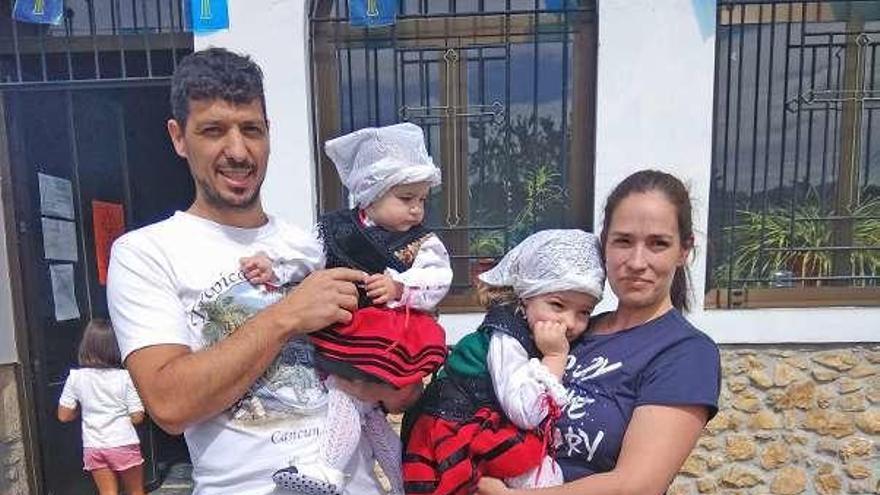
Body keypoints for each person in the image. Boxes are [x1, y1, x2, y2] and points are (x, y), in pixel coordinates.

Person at [107, 47, 389, 494]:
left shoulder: (312, 243)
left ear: (269, 134)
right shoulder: (145, 253)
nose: (237, 151)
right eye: (214, 130)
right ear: (179, 137)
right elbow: (169, 404)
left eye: (251, 130)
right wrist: (287, 315)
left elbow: (390, 382)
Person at [475, 170, 722, 495]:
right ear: (604, 243)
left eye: (658, 244)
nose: (636, 261)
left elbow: (636, 485)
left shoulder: (685, 352)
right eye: (623, 241)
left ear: (684, 250)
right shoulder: (571, 330)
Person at [239, 122, 453, 494]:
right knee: (369, 415)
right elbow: (305, 256)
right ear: (370, 195)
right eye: (406, 198)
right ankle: (402, 483)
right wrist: (274, 265)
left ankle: (327, 468)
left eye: (422, 199)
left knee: (344, 393)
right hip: (350, 330)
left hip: (388, 337)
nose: (417, 209)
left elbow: (439, 278)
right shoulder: (334, 229)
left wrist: (402, 287)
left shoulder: (423, 242)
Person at [402, 229, 606, 495]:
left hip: (481, 420)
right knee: (542, 477)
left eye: (584, 312)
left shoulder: (531, 327)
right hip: (455, 426)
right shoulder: (507, 338)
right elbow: (525, 412)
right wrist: (555, 358)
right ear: (525, 297)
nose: (569, 322)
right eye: (557, 305)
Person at [58, 319, 146, 495]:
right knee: (136, 492)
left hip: (94, 446)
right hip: (123, 442)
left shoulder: (75, 378)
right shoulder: (124, 377)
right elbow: (138, 417)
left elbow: (64, 415)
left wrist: (84, 409)